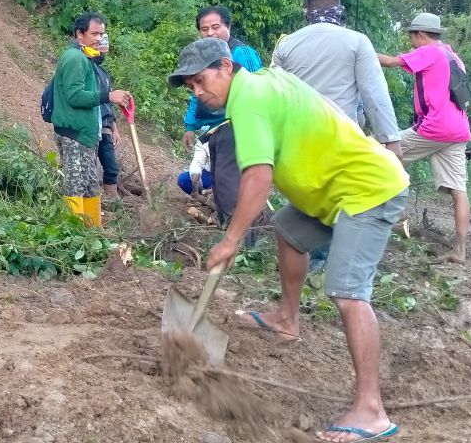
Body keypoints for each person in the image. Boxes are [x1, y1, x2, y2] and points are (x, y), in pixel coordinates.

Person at [171, 38, 408, 443]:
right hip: (336, 193)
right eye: (191, 85)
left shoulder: (247, 101)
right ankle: (287, 319)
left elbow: (258, 177)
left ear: (226, 66)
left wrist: (230, 240)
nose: (197, 91)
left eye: (201, 79)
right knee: (288, 229)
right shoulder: (261, 83)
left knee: (348, 293)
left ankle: (372, 411)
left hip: (367, 191)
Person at [377, 12, 471, 263]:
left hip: (435, 127)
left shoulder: (430, 52)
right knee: (459, 190)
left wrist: (356, 51)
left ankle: (392, 216)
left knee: (381, 155)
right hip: (458, 130)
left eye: (411, 36)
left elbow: (388, 61)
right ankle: (460, 251)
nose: (411, 42)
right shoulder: (453, 56)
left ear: (420, 34)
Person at [271, 0, 401, 157]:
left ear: (307, 13)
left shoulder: (285, 45)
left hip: (298, 144)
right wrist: (391, 140)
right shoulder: (358, 42)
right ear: (339, 11)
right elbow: (374, 93)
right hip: (343, 143)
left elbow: (274, 94)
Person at [182, 6, 262, 225]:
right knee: (220, 183)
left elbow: (258, 85)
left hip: (237, 125)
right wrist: (190, 125)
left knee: (234, 182)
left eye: (215, 27)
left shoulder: (240, 53)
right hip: (215, 130)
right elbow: (196, 95)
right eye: (204, 28)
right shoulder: (203, 58)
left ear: (228, 26)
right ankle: (230, 230)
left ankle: (243, 239)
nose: (210, 33)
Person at [50, 12, 130, 226]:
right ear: (79, 34)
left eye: (102, 34)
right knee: (75, 185)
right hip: (74, 134)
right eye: (94, 33)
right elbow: (74, 96)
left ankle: (93, 231)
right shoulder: (75, 58)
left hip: (85, 135)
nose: (99, 38)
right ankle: (73, 234)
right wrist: (108, 96)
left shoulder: (86, 59)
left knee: (90, 185)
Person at [91, 32, 124, 201]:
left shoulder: (103, 73)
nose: (102, 53)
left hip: (105, 127)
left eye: (104, 50)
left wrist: (114, 129)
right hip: (90, 125)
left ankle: (113, 202)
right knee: (89, 168)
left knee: (111, 168)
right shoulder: (87, 68)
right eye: (99, 49)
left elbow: (109, 103)